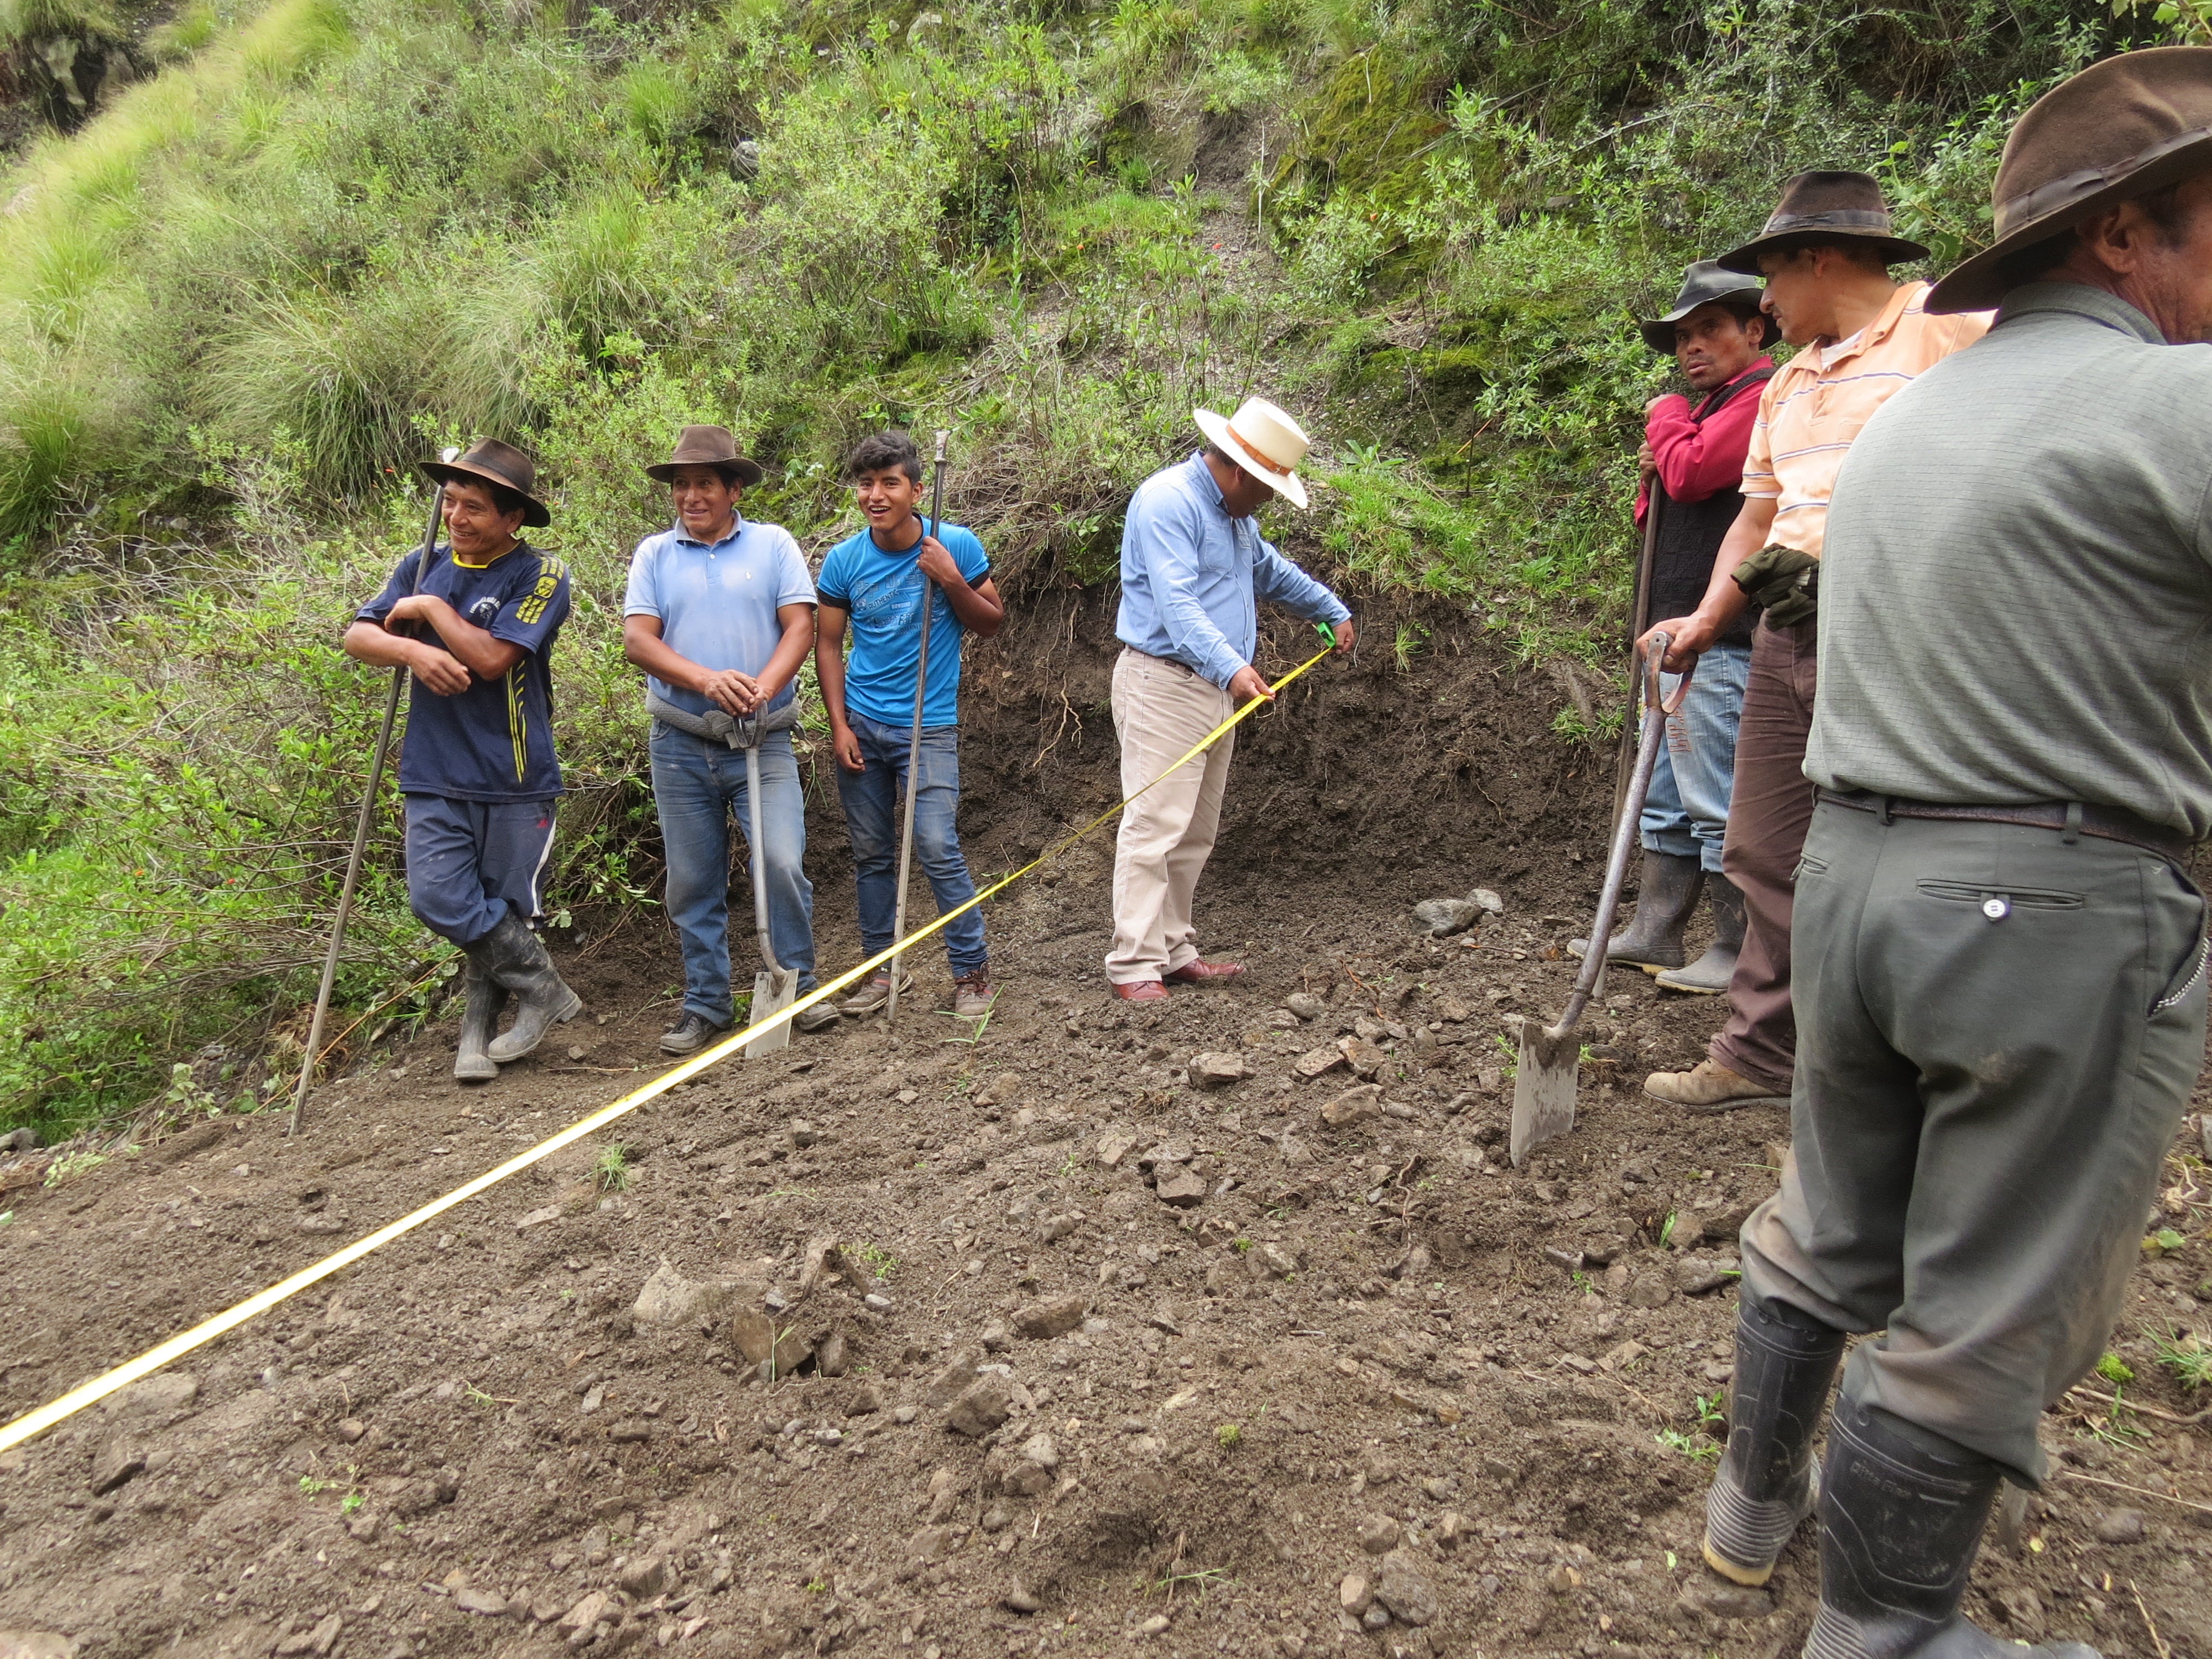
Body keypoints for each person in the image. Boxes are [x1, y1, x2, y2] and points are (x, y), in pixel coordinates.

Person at [1698, 49, 2212, 1659]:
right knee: (1993, 1292)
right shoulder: (2174, 401)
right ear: (2128, 235)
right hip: (2045, 908)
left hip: (1856, 882)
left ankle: (1747, 1510)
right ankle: (1891, 1632)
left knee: (1834, 1215)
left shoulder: (1922, 413)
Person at [1638, 173, 1987, 1111]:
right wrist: (1707, 622)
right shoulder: (1790, 381)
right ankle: (1764, 1055)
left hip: (1906, 624)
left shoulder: (1950, 328)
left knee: (1906, 846)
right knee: (1762, 843)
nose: (1767, 307)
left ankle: (1914, 1059)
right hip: (1792, 623)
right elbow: (1756, 525)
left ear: (1820, 259)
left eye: (1771, 287)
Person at [341, 440, 581, 1082]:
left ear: (512, 519)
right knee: (438, 897)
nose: (456, 518)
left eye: (473, 507)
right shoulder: (420, 564)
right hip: (433, 769)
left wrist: (430, 612)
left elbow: (494, 658)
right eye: (450, 502)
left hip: (514, 772)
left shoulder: (542, 574)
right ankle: (544, 989)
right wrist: (412, 653)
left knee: (503, 907)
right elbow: (359, 634)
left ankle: (475, 1034)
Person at [1572, 262, 1775, 992]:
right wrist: (1660, 457)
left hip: (1720, 637)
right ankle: (1656, 929)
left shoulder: (1761, 400)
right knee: (1662, 793)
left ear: (1756, 330)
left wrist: (1663, 422)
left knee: (1713, 791)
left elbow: (1691, 477)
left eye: (1711, 329)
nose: (1693, 347)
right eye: (1684, 336)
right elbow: (1661, 507)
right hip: (1672, 633)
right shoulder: (1710, 409)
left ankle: (1738, 945)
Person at [1107, 398, 1353, 1000]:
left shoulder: (1236, 519)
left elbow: (1271, 573)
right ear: (1242, 471)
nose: (1269, 500)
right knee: (1154, 826)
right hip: (1164, 684)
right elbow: (1177, 603)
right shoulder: (1169, 502)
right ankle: (1134, 963)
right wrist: (1234, 667)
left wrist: (1332, 608)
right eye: (1268, 488)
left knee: (1194, 829)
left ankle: (1172, 949)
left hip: (1212, 688)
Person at [622, 425, 838, 1056]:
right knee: (692, 879)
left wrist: (760, 691)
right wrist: (709, 681)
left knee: (781, 861)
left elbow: (801, 627)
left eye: (704, 484)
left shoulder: (772, 545)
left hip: (762, 740)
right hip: (681, 741)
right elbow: (639, 641)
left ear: (733, 488)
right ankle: (707, 1004)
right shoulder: (654, 555)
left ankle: (798, 986)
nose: (691, 496)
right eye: (682, 485)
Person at [815, 431, 1004, 1018]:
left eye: (890, 483)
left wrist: (948, 577)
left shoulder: (957, 545)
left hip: (930, 725)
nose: (876, 495)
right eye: (866, 484)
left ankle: (972, 974)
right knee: (872, 855)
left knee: (935, 846)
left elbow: (993, 623)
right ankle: (880, 973)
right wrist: (839, 725)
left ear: (916, 490)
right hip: (864, 725)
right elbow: (826, 644)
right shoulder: (845, 560)